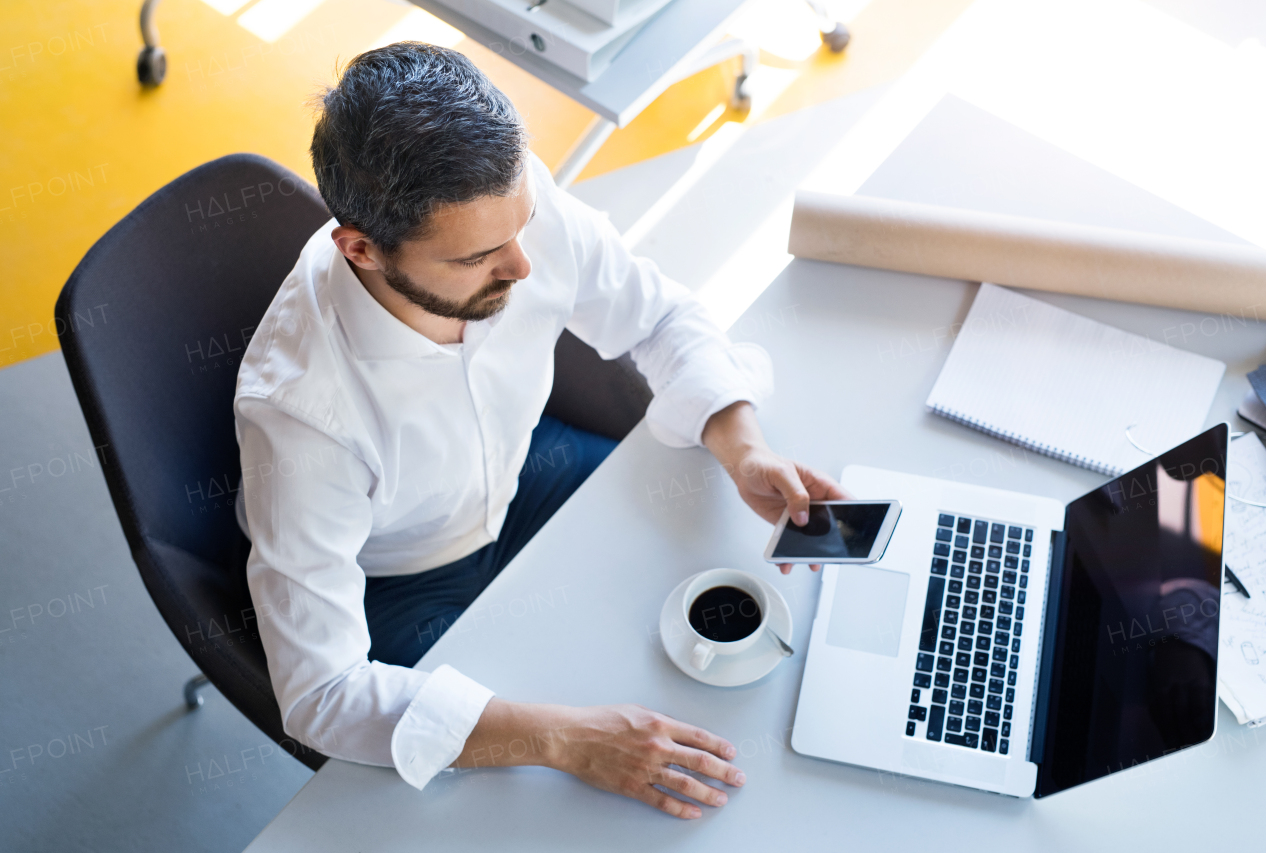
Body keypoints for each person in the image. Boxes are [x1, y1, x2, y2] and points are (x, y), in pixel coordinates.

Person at [233, 42, 847, 820]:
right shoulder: (300, 415)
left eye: (521, 225)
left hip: (527, 471)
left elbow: (656, 313)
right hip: (400, 572)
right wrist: (566, 740)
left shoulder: (504, 206)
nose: (524, 266)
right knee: (542, 803)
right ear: (361, 249)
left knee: (714, 600)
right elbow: (322, 693)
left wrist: (740, 440)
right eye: (482, 256)